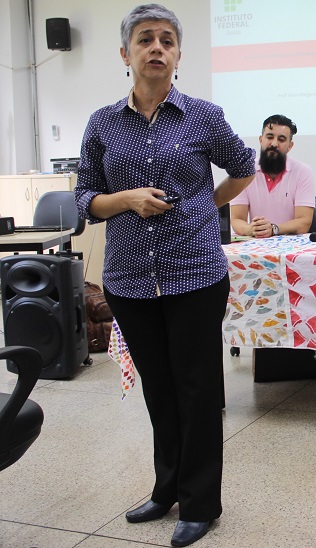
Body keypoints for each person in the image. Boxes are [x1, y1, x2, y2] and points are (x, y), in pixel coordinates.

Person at [74, 5, 255, 546]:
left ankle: (201, 503)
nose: (157, 48)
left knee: (198, 389)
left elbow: (243, 166)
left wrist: (205, 203)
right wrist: (124, 199)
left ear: (178, 54)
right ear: (125, 54)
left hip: (196, 273)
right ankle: (167, 487)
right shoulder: (102, 124)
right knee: (159, 388)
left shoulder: (203, 115)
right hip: (130, 279)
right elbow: (85, 198)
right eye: (146, 39)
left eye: (168, 40)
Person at [229, 114, 316, 237]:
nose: (274, 144)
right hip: (255, 246)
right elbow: (236, 219)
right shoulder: (244, 170)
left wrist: (274, 229)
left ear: (290, 146)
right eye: (269, 137)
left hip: (291, 248)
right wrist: (251, 230)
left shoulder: (303, 171)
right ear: (261, 139)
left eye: (281, 139)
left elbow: (304, 222)